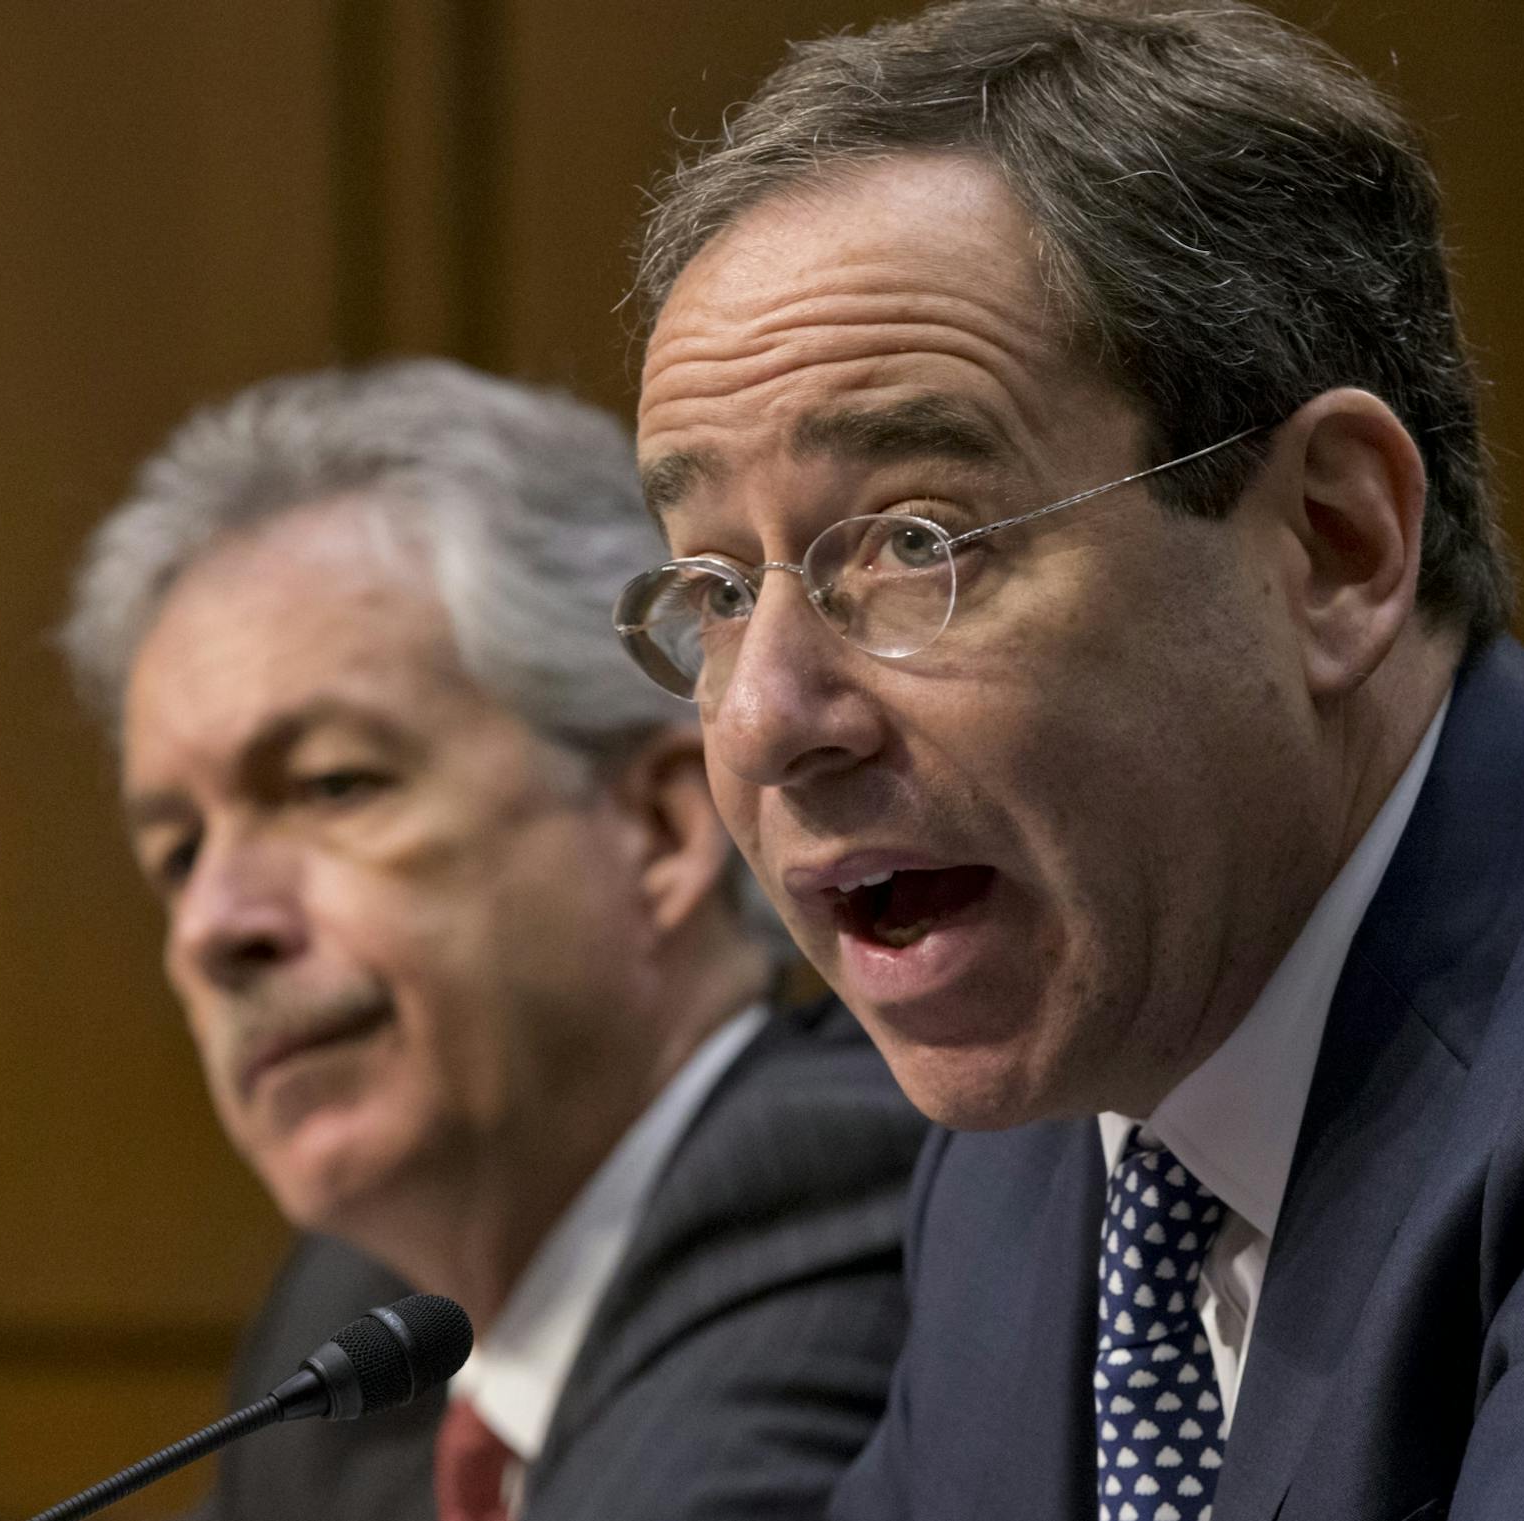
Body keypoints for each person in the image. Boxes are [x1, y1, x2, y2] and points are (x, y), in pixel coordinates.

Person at [613, 3, 1524, 1517]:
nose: (762, 722)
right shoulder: (1034, 1148)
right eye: (720, 589)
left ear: (1332, 542)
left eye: (917, 545)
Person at [60, 360, 925, 1520]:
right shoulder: (359, 1319)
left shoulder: (831, 1185)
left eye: (332, 785)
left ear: (661, 830)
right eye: (178, 856)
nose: (215, 925)